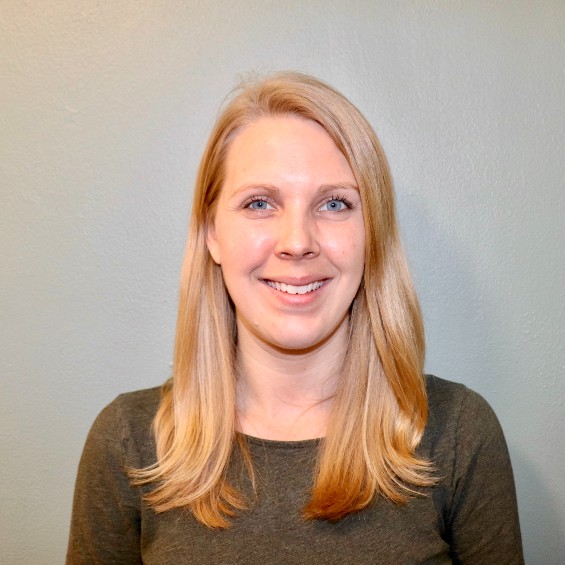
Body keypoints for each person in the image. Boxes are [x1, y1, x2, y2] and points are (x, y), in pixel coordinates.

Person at [67, 72, 524, 564]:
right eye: (259, 203)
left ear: (372, 233)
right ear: (211, 234)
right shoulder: (129, 444)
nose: (298, 241)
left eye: (334, 203)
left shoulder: (457, 434)